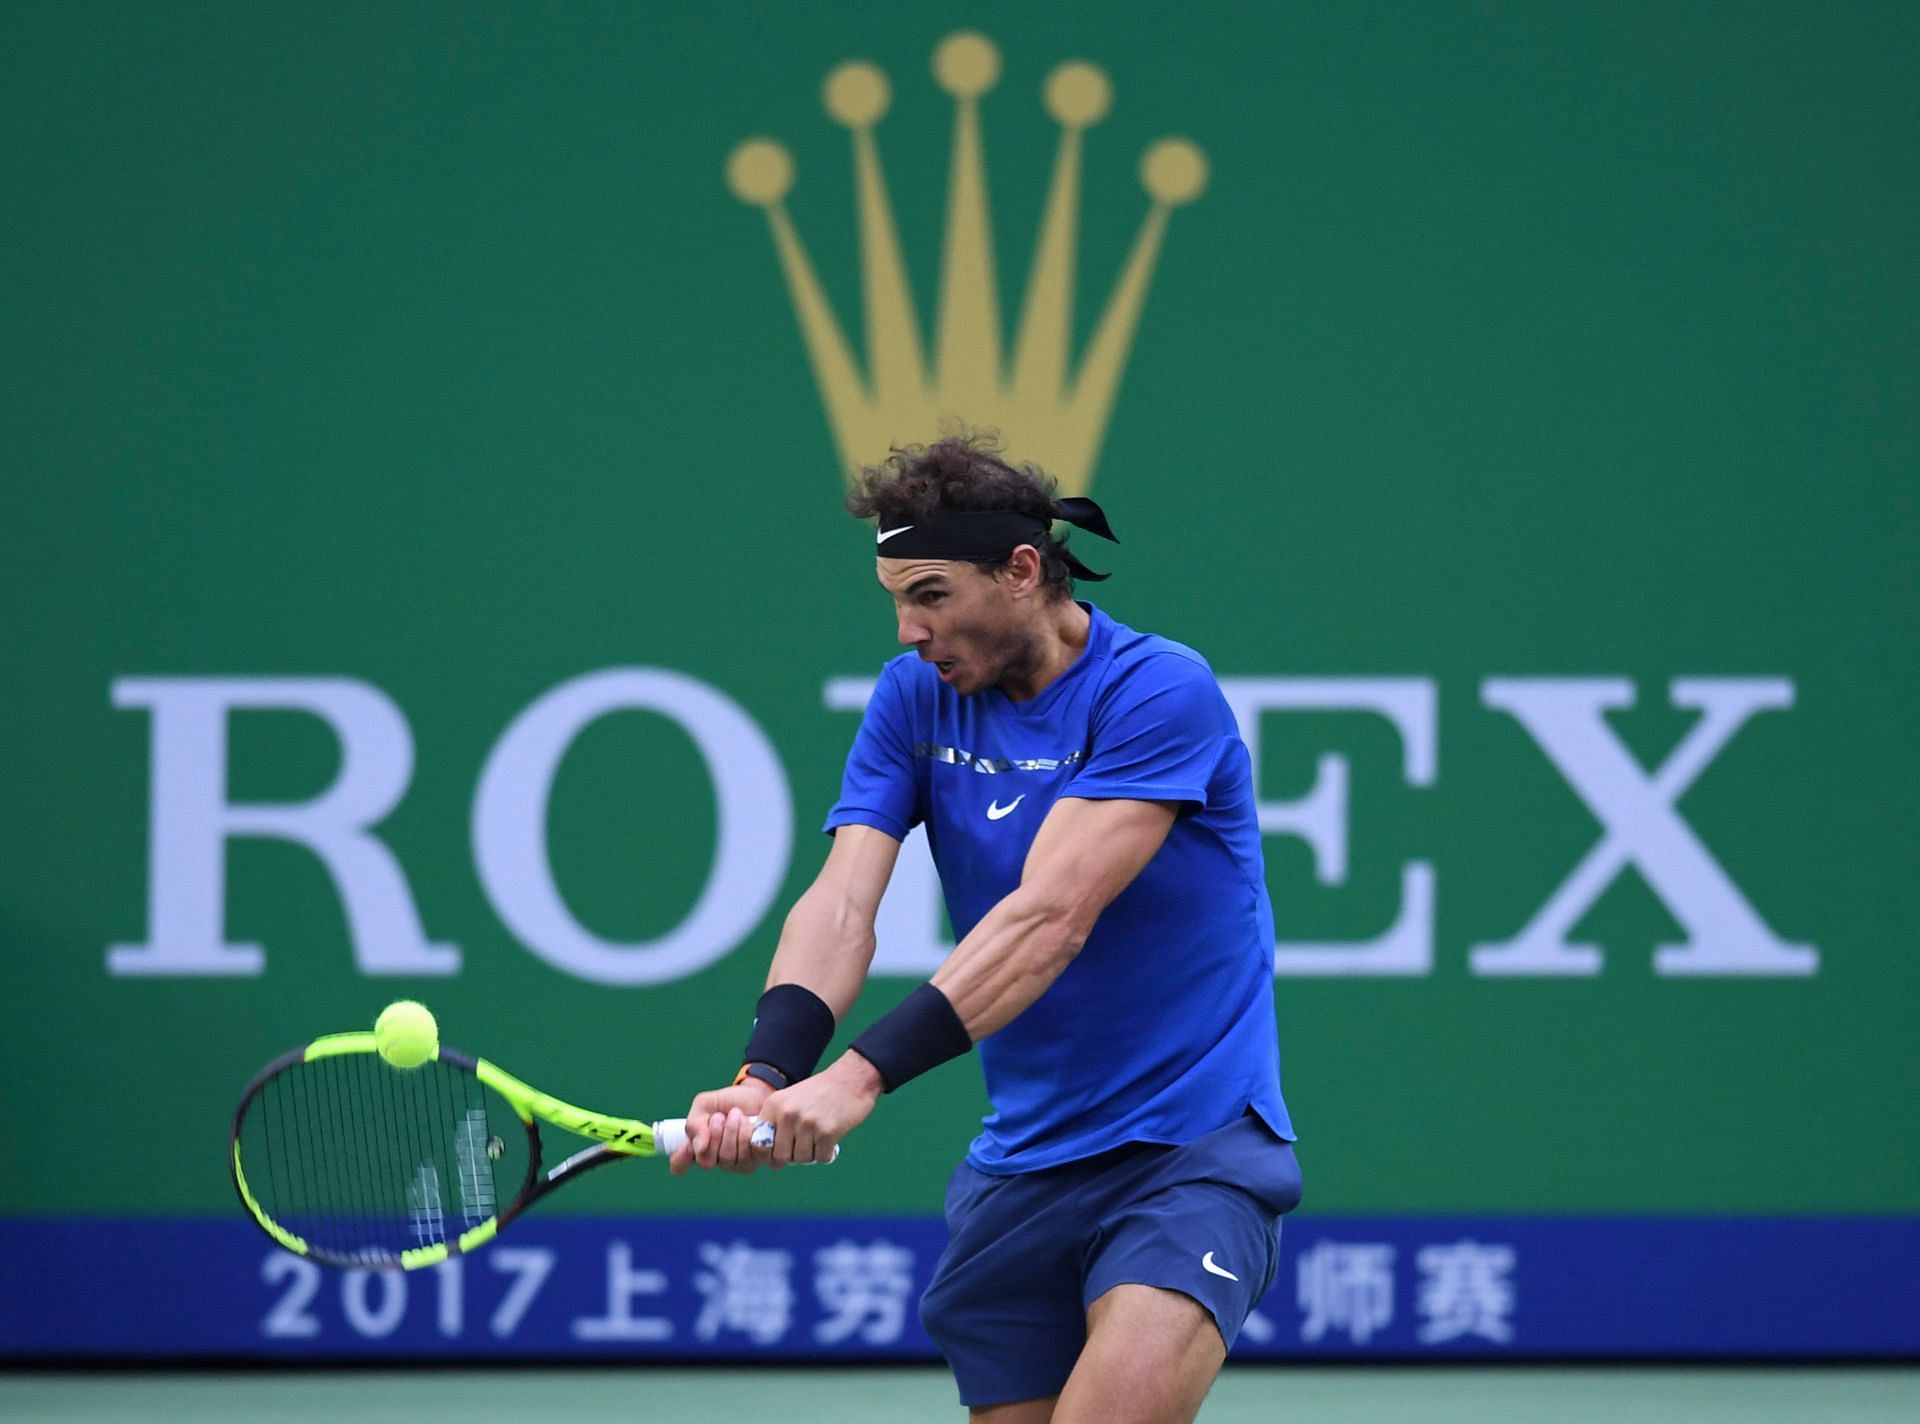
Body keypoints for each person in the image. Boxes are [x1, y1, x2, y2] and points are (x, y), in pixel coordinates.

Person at [670, 435, 1299, 1424]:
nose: (909, 629)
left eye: (929, 594)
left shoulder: (1158, 689)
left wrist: (857, 1076)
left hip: (1189, 1152)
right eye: (894, 599)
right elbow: (841, 903)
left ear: (1021, 570)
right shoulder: (911, 699)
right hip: (1021, 1170)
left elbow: (1050, 920)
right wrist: (768, 1074)